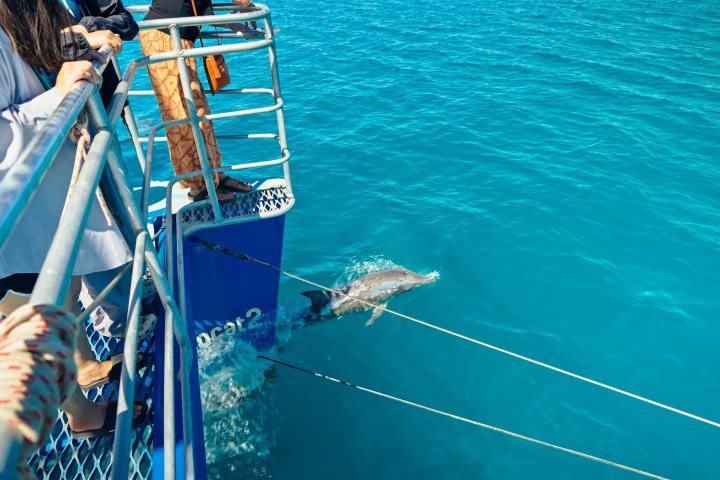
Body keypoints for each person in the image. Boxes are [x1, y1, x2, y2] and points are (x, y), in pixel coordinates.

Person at [0, 0, 145, 438]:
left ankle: (82, 366)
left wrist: (77, 42)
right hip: (14, 216)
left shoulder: (21, 13)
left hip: (38, 205)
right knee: (32, 319)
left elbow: (30, 57)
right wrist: (58, 98)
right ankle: (79, 415)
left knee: (58, 292)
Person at [140, 0, 255, 203]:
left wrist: (230, 23)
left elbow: (194, 7)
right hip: (165, 38)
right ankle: (199, 187)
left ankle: (215, 176)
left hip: (174, 37)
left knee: (199, 112)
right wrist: (247, 5)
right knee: (184, 116)